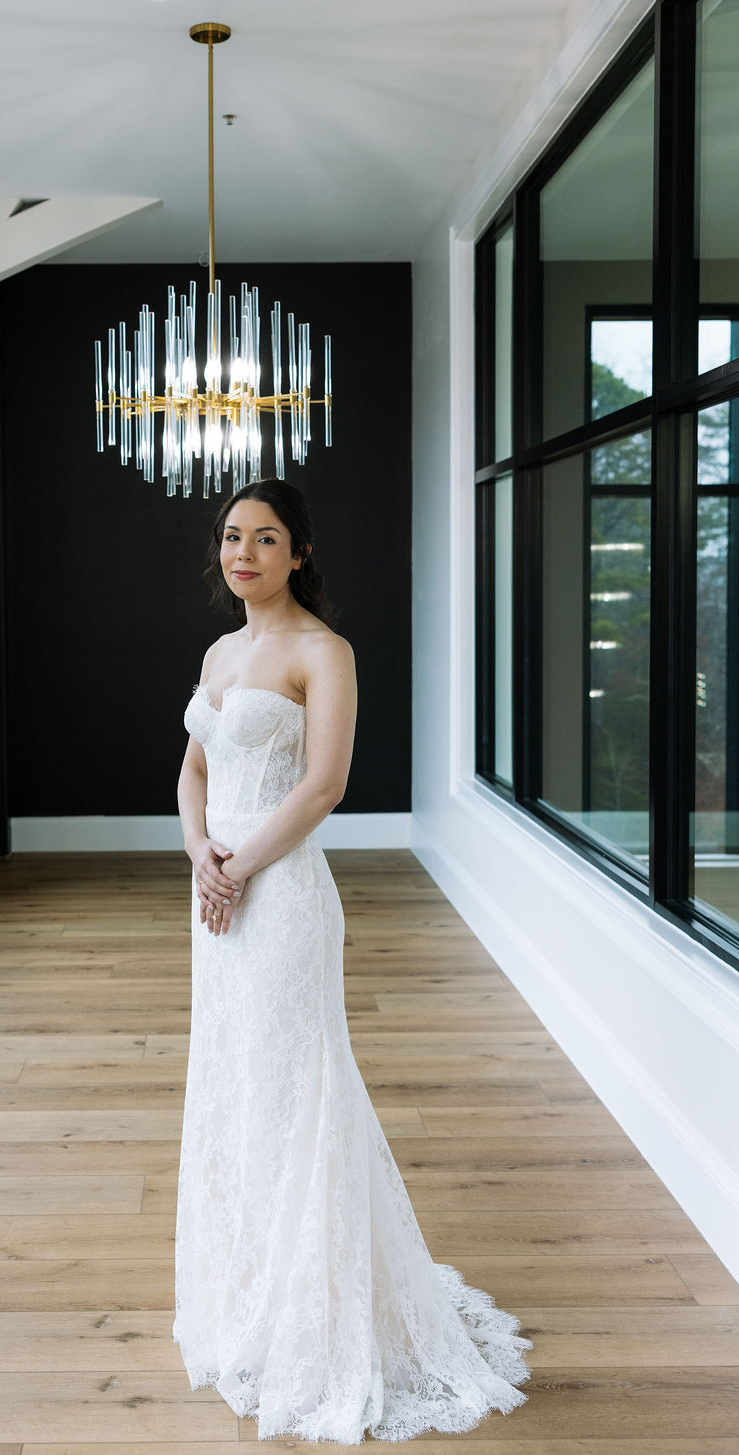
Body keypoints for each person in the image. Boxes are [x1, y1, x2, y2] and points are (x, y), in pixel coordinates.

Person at [172, 477, 533, 1444]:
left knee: (299, 1085)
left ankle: (323, 1309)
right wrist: (199, 851)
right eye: (231, 537)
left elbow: (325, 784)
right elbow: (195, 766)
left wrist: (240, 864)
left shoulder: (322, 652)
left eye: (266, 537)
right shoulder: (220, 651)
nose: (243, 552)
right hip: (219, 892)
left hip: (281, 895)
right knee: (239, 1081)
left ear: (299, 554)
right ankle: (256, 1285)